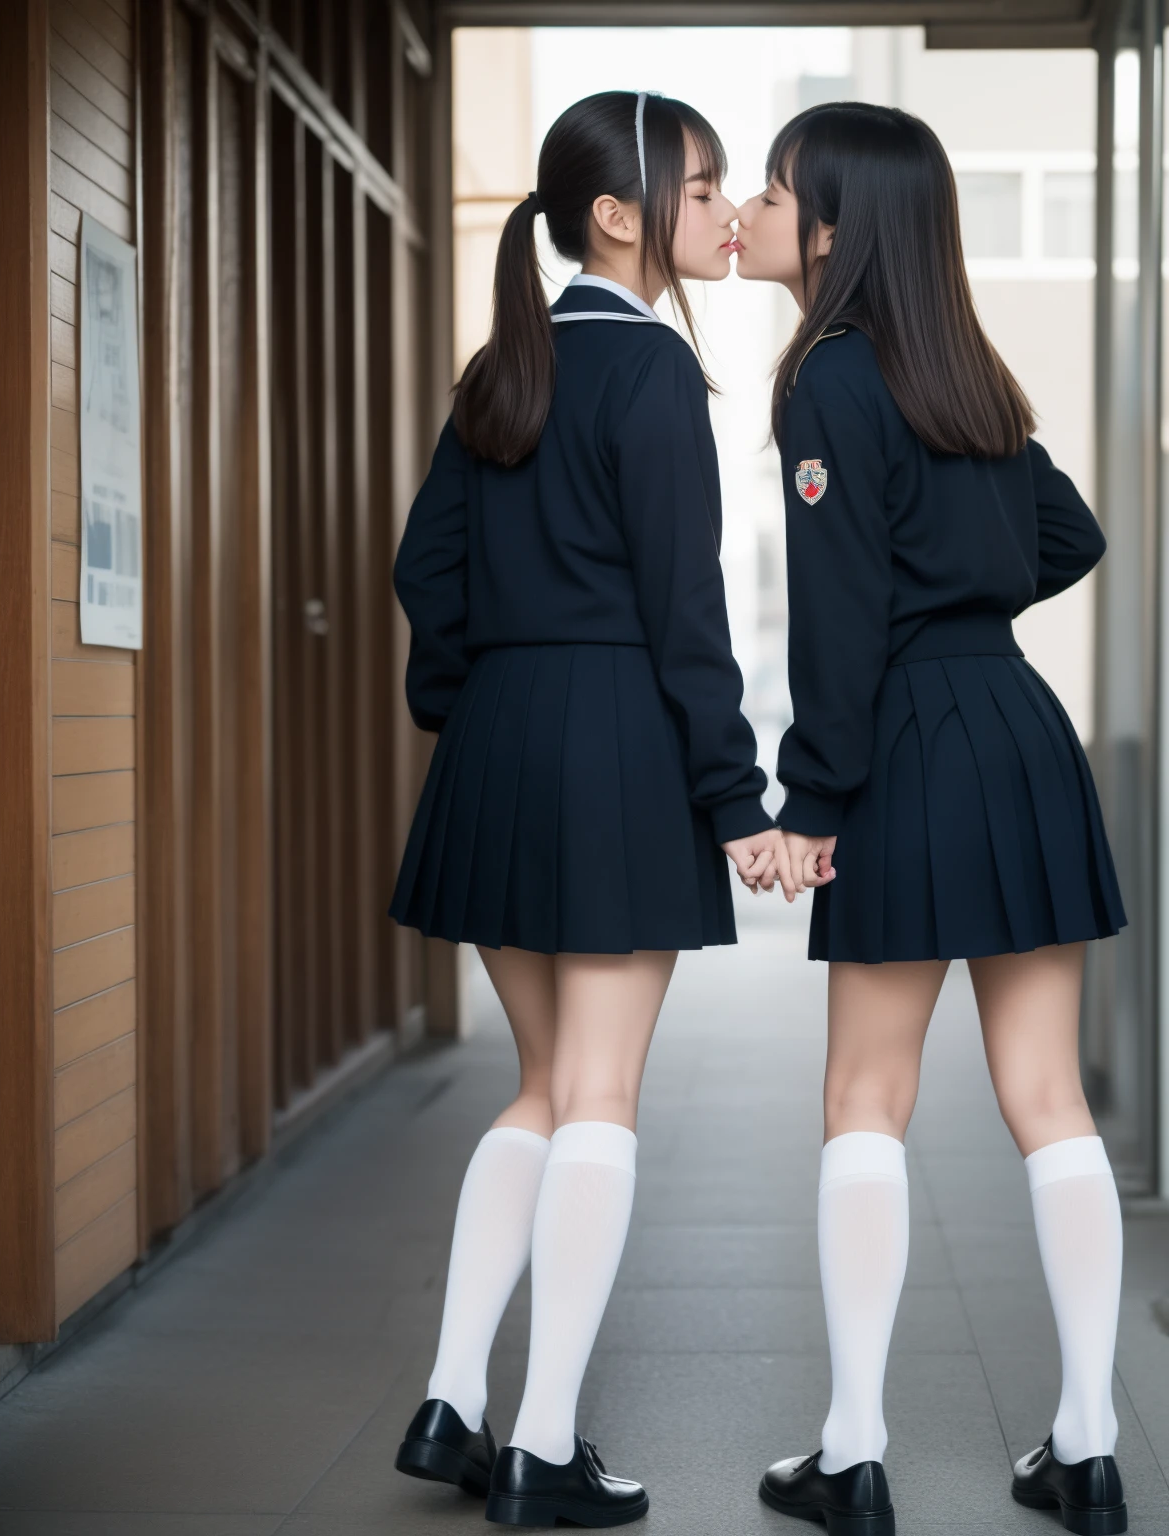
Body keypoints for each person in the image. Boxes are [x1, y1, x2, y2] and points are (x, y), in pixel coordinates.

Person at [388, 90, 782, 1529]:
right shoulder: (657, 377)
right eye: (701, 187)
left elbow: (426, 572)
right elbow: (690, 618)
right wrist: (736, 800)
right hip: (617, 747)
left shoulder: (504, 366)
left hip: (497, 748)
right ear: (620, 213)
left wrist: (467, 707)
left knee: (544, 1090)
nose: (719, 209)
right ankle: (543, 1447)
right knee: (599, 1096)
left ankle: (453, 1401)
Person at [735, 102, 1129, 1536]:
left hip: (903, 741)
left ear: (832, 227)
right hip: (1020, 734)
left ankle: (854, 1454)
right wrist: (966, 604)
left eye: (776, 193)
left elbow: (839, 623)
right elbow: (1067, 534)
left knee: (865, 1101)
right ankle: (1086, 1450)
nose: (757, 214)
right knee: (1049, 1101)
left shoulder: (829, 383)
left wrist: (811, 800)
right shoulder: (966, 370)